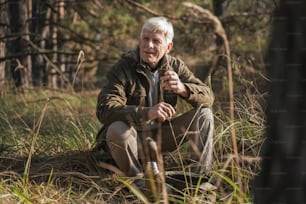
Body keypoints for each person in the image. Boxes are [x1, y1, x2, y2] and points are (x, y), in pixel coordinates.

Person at [94, 16, 214, 186]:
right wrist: (146, 113)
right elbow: (105, 110)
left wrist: (183, 89)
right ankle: (140, 184)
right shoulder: (123, 67)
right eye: (145, 39)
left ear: (168, 47)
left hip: (160, 138)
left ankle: (199, 181)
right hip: (131, 139)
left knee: (205, 115)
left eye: (156, 41)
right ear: (140, 39)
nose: (148, 45)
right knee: (115, 129)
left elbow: (208, 97)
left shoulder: (176, 66)